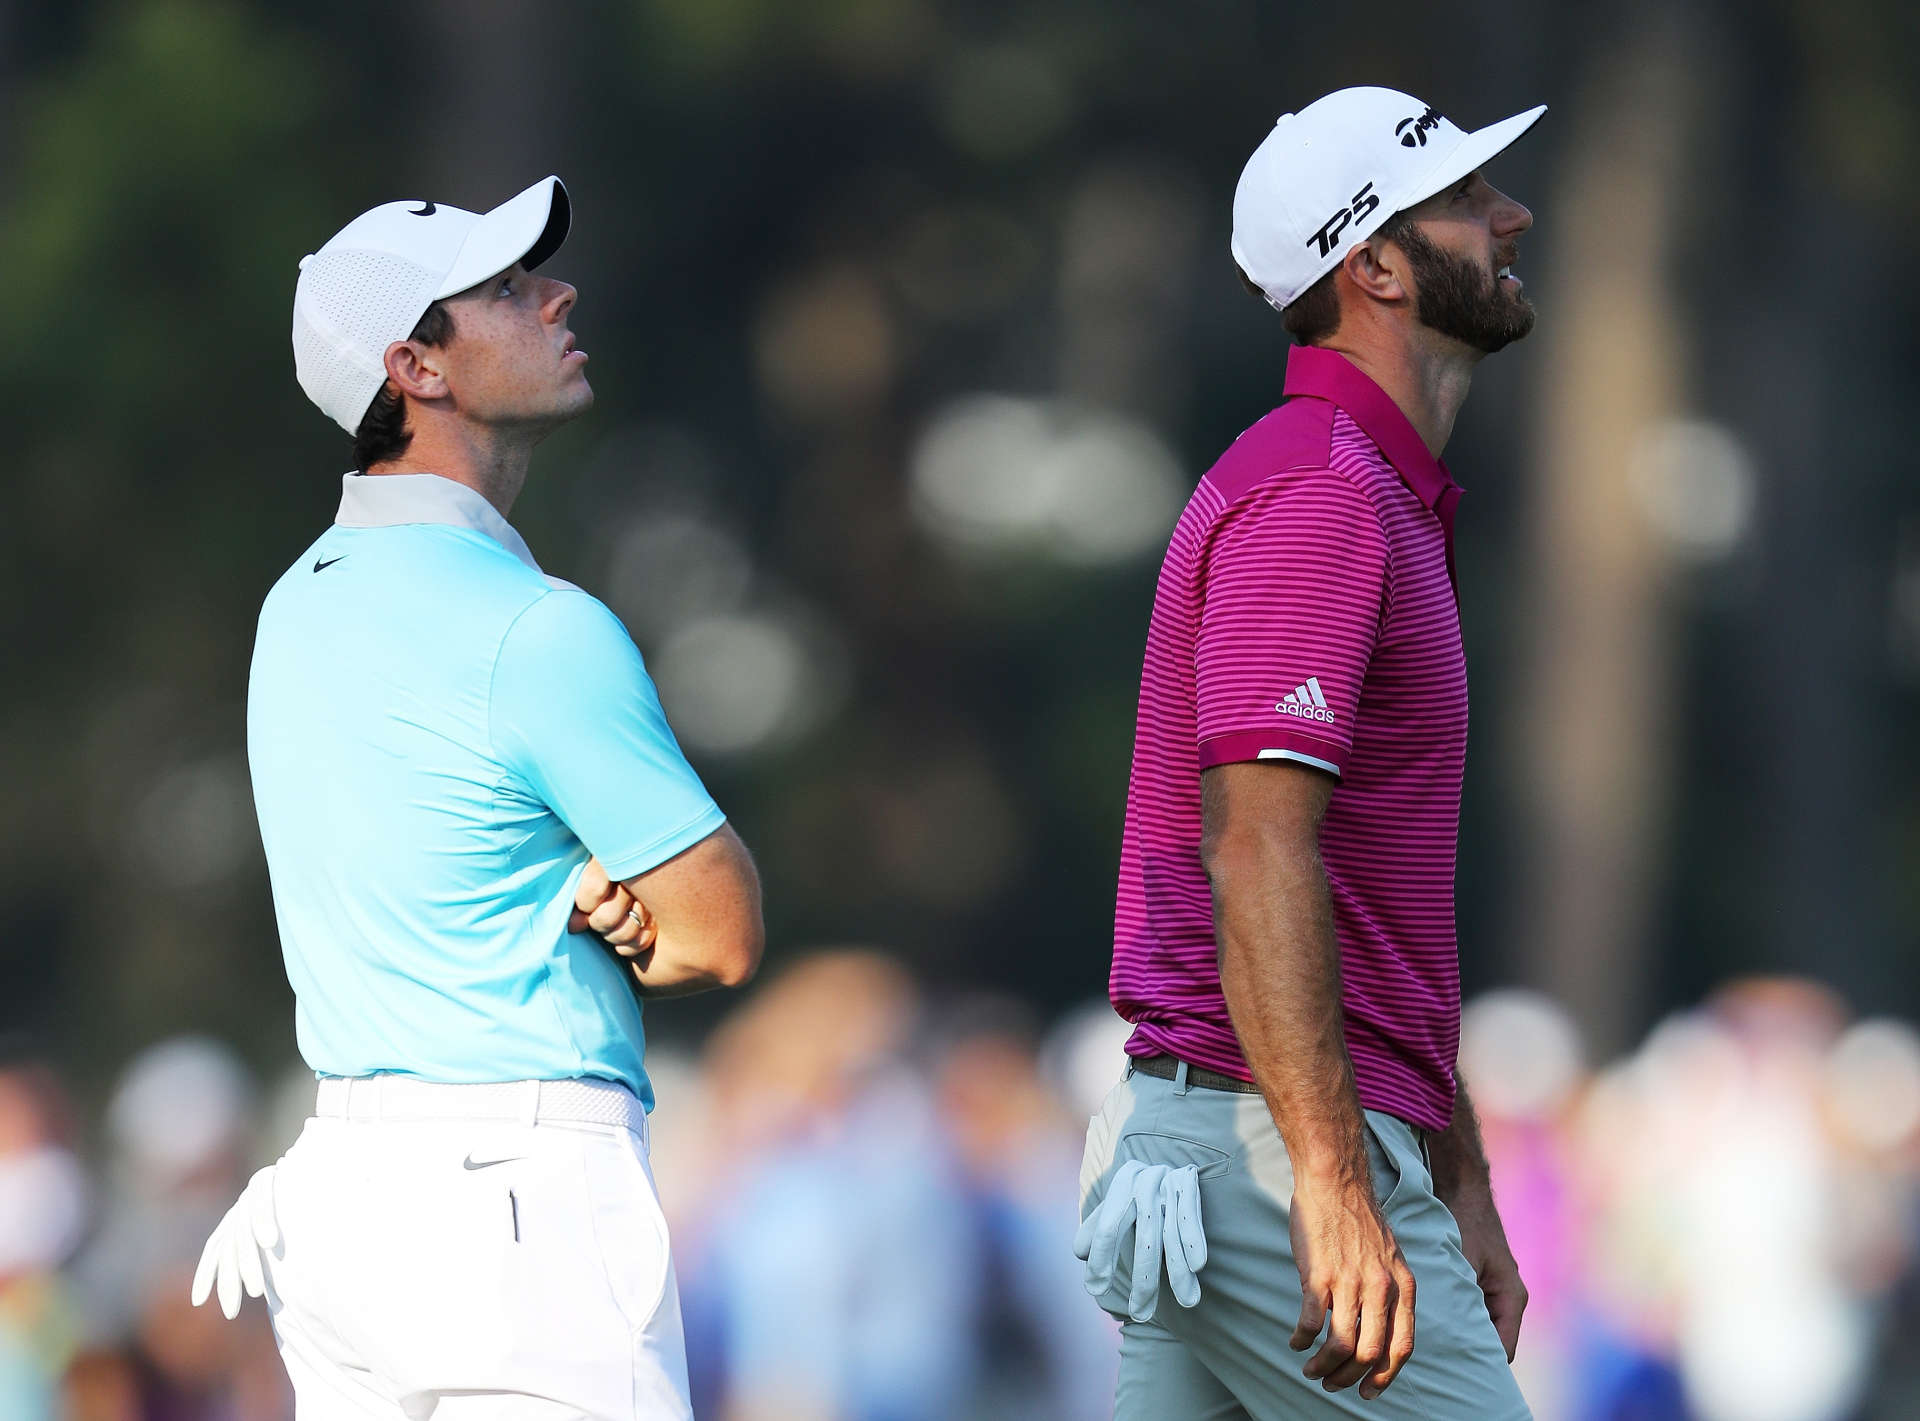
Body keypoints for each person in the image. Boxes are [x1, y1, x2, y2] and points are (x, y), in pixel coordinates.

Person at [189, 176, 763, 1420]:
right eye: (503, 289)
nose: (554, 295)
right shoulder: (541, 626)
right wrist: (615, 908)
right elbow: (719, 932)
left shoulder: (293, 605)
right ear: (417, 367)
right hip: (519, 1206)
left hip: (338, 1193)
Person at [1076, 87, 1544, 1418]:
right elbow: (1258, 849)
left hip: (1244, 1143)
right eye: (1465, 202)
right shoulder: (1322, 494)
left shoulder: (1365, 490)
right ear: (1377, 266)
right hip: (1267, 1153)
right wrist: (1334, 1182)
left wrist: (1461, 1181)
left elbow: (1363, 910)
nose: (1512, 216)